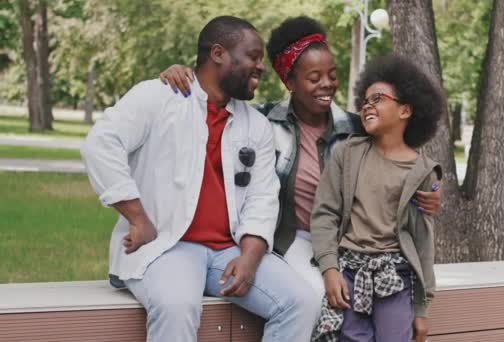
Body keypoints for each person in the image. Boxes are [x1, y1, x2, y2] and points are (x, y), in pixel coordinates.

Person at [160, 16, 441, 304]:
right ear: (290, 81)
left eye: (332, 75)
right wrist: (182, 73)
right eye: (314, 78)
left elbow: (401, 158)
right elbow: (215, 97)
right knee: (319, 298)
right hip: (289, 241)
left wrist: (430, 190)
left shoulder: (357, 129)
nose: (327, 85)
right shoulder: (262, 122)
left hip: (344, 241)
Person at [80, 16, 317, 342]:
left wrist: (248, 258)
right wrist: (136, 216)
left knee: (301, 303)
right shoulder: (159, 97)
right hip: (167, 248)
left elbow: (263, 198)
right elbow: (100, 145)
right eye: (252, 56)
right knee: (177, 306)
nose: (260, 67)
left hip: (229, 252)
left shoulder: (255, 125)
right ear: (218, 53)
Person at [310, 55, 444, 342]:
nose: (368, 105)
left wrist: (421, 308)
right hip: (349, 272)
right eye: (365, 100)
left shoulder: (422, 171)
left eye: (378, 98)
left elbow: (423, 240)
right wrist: (330, 268)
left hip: (396, 277)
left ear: (405, 110)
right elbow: (324, 214)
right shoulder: (347, 153)